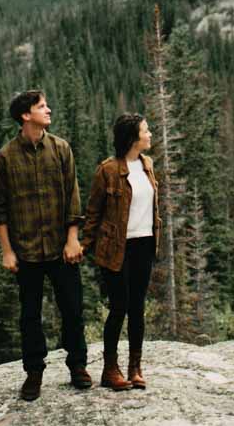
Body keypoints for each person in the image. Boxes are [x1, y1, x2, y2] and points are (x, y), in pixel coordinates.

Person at [0, 89, 92, 401]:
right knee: (30, 316)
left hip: (62, 249)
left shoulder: (61, 149)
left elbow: (73, 197)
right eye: (41, 106)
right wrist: (7, 251)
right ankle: (34, 374)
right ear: (25, 115)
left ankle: (78, 366)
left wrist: (73, 238)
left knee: (73, 310)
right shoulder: (5, 158)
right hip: (27, 251)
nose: (48, 110)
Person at [82, 113, 159, 391]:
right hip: (116, 248)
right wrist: (84, 245)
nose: (150, 134)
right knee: (119, 307)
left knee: (137, 308)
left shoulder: (147, 165)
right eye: (146, 130)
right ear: (132, 138)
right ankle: (109, 369)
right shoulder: (108, 170)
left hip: (144, 244)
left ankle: (135, 367)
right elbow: (93, 213)